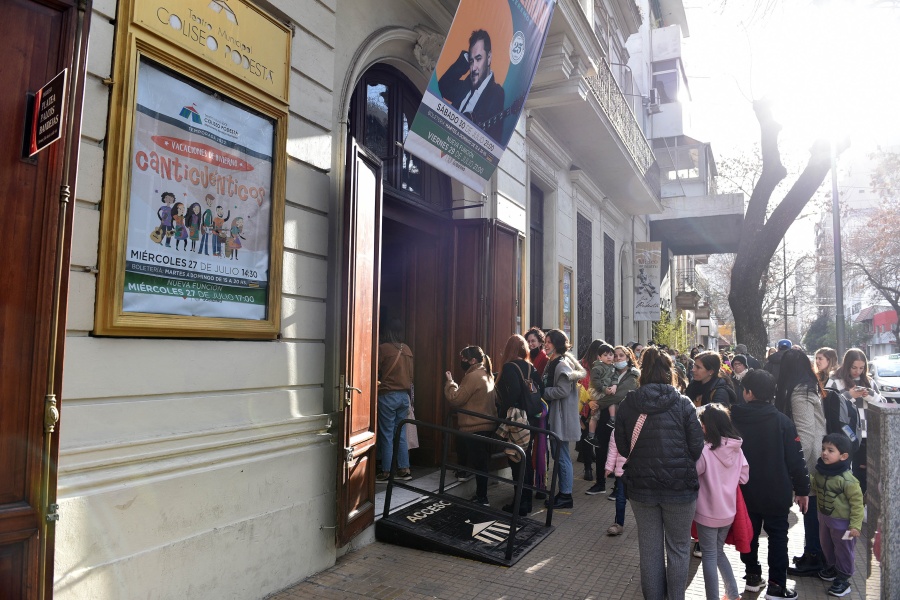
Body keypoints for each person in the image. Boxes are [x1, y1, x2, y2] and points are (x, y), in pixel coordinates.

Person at [615, 346, 704, 600]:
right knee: (679, 548)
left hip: (641, 487)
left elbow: (623, 447)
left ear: (642, 372)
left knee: (649, 549)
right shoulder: (683, 403)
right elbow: (697, 446)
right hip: (680, 487)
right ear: (669, 372)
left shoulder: (629, 403)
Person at [729, 370, 810, 599]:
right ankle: (776, 586)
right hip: (777, 491)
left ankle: (752, 576)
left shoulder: (733, 419)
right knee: (778, 538)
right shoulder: (783, 422)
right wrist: (802, 489)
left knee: (748, 534)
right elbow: (796, 459)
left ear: (748, 393)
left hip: (744, 491)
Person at [773, 349, 828, 577]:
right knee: (812, 509)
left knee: (811, 509)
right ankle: (812, 552)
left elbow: (805, 434)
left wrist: (796, 467)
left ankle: (814, 556)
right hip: (816, 455)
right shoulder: (808, 385)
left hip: (811, 460)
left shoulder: (800, 392)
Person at [694, 403, 750, 600]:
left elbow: (693, 474)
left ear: (708, 426)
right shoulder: (737, 449)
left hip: (706, 512)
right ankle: (733, 594)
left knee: (709, 555)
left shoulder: (705, 451)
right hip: (728, 512)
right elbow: (744, 478)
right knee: (717, 552)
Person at [823, 348, 884, 495]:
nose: (858, 371)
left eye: (862, 368)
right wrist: (848, 396)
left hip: (867, 434)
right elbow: (828, 407)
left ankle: (861, 504)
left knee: (864, 475)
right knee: (846, 474)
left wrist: (869, 395)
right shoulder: (835, 381)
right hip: (844, 434)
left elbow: (883, 404)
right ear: (847, 365)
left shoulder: (869, 381)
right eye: (854, 367)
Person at [812, 433, 865, 597]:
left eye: (830, 450)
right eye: (823, 449)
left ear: (843, 456)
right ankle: (833, 568)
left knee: (844, 549)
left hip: (844, 525)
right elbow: (813, 486)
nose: (824, 453)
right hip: (824, 519)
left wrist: (855, 526)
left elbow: (857, 505)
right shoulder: (820, 473)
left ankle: (844, 578)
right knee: (826, 545)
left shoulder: (848, 480)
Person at [495, 334, 543, 516]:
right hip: (531, 418)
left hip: (516, 419)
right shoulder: (530, 367)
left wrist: (503, 413)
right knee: (526, 459)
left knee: (515, 459)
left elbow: (513, 391)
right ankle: (526, 501)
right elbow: (541, 389)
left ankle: (520, 503)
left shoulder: (509, 367)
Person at [444, 345, 497, 505]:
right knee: (482, 463)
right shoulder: (486, 373)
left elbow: (456, 398)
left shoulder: (473, 376)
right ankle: (479, 494)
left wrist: (450, 383)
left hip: (475, 426)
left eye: (464, 358)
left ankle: (482, 498)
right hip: (487, 425)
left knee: (480, 464)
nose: (462, 361)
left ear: (473, 360)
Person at [541, 329, 587, 510]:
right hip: (556, 416)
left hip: (560, 417)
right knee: (559, 455)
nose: (545, 345)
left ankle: (566, 495)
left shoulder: (561, 364)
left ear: (557, 344)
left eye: (549, 342)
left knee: (562, 456)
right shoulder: (553, 362)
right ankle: (563, 492)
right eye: (545, 341)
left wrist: (542, 392)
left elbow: (562, 390)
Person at [586, 346, 640, 497]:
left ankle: (618, 487)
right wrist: (591, 401)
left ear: (628, 358)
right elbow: (595, 387)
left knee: (620, 452)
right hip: (605, 415)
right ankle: (600, 483)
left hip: (623, 417)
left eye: (621, 356)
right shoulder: (609, 370)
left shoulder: (633, 375)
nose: (617, 358)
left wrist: (598, 403)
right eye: (615, 356)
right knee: (601, 448)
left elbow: (619, 395)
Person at [437, 29, 505, 141]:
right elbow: (443, 86)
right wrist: (466, 59)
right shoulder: (466, 85)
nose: (473, 68)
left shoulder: (496, 93)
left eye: (478, 59)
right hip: (443, 140)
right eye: (471, 61)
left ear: (489, 58)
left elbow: (494, 137)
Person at [376, 319, 414, 483]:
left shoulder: (383, 348)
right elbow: (411, 376)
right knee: (401, 434)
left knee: (387, 435)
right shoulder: (407, 349)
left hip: (388, 395)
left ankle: (386, 471)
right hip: (403, 396)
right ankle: (404, 469)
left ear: (387, 331)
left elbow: (374, 370)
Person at [576, 339, 607, 482]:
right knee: (594, 438)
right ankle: (593, 468)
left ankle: (590, 469)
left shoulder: (582, 365)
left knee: (590, 438)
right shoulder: (589, 366)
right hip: (592, 407)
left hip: (588, 407)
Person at [586, 343, 617, 444]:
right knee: (611, 399)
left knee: (595, 415)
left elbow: (615, 378)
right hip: (596, 391)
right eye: (605, 355)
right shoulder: (597, 368)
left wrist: (614, 386)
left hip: (605, 390)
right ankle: (612, 419)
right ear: (599, 357)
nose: (609, 357)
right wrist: (604, 389)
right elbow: (595, 382)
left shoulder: (613, 367)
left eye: (611, 354)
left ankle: (591, 435)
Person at [603, 427, 629, 536]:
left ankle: (646, 524)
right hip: (621, 471)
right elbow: (613, 450)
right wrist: (609, 467)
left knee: (641, 500)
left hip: (638, 472)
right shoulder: (617, 430)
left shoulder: (643, 427)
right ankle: (618, 524)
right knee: (620, 498)